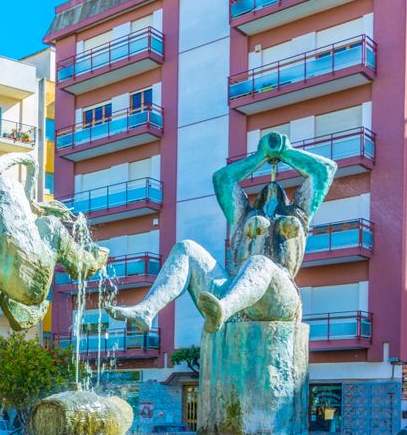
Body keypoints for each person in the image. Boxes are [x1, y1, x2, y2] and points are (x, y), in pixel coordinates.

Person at [107, 132, 336, 334]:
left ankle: (222, 310)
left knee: (260, 262)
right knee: (186, 248)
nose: (271, 190)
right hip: (234, 293)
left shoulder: (298, 214)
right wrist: (261, 156)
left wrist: (286, 152)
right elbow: (223, 179)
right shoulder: (243, 216)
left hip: (279, 300)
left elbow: (324, 170)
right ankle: (147, 310)